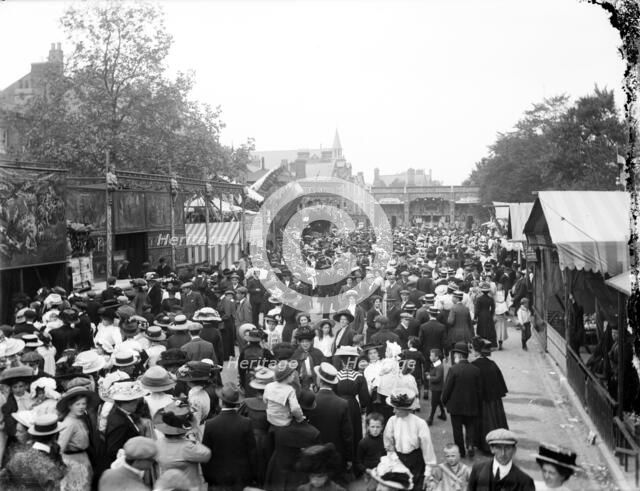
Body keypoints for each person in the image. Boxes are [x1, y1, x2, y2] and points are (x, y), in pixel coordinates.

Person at [201, 382, 256, 490]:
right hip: (241, 476)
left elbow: (206, 453)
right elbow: (252, 452)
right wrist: (253, 476)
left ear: (221, 402)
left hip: (217, 477)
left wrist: (207, 477)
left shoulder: (210, 424)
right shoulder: (246, 423)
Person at [306, 362, 354, 481]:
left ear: (320, 380)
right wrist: (349, 458)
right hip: (336, 454)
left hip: (314, 451)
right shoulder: (342, 403)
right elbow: (347, 435)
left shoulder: (311, 400)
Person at [383, 388, 436, 491]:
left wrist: (428, 472)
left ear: (406, 409)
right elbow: (388, 443)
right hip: (398, 460)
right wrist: (394, 459)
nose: (394, 411)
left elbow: (427, 449)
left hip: (416, 462)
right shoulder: (392, 421)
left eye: (397, 408)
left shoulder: (420, 424)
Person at [0, 413, 68, 490]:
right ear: (55, 436)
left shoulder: (18, 456)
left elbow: (3, 480)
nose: (16, 434)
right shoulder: (49, 466)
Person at [153, 400, 211, 489]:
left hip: (167, 486)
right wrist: (193, 439)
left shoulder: (157, 444)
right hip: (188, 487)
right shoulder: (187, 447)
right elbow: (206, 454)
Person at [441, 342, 482, 458]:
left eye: (455, 355)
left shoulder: (453, 370)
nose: (454, 357)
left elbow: (447, 388)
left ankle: (461, 451)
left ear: (458, 355)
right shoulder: (476, 370)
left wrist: (444, 401)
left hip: (456, 406)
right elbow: (479, 390)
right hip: (471, 405)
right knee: (470, 427)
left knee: (457, 430)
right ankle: (470, 444)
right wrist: (478, 405)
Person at [57, 384, 99, 491]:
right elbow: (60, 447)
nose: (81, 407)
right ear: (70, 406)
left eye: (83, 404)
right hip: (73, 462)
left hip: (82, 458)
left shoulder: (79, 419)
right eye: (77, 404)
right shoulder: (69, 423)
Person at [471, 338, 509, 454]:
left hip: (482, 401)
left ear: (477, 351)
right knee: (496, 420)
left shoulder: (474, 366)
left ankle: (486, 445)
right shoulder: (492, 364)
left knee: (485, 422)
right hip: (494, 400)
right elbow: (500, 383)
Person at [333, 346, 370, 461]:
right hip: (353, 406)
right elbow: (364, 399)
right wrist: (363, 407)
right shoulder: (359, 376)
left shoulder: (336, 375)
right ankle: (355, 461)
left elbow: (333, 392)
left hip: (338, 405)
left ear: (341, 360)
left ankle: (342, 460)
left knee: (341, 432)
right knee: (354, 432)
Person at [467, 428, 535, 491]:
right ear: (492, 449)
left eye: (507, 448)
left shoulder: (525, 481)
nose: (503, 453)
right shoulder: (478, 470)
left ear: (514, 450)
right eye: (499, 448)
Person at [263, 361, 305, 427]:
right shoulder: (290, 390)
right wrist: (300, 418)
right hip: (284, 421)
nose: (294, 376)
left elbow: (265, 401)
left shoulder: (268, 386)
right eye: (292, 374)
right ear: (286, 377)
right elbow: (295, 409)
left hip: (270, 419)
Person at [356, 412, 386, 479]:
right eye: (372, 427)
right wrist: (366, 470)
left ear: (382, 427)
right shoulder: (363, 443)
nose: (375, 430)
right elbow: (358, 462)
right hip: (369, 472)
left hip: (382, 470)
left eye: (378, 427)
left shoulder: (385, 439)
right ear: (368, 427)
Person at [426, 348, 446, 426]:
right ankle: (443, 414)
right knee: (438, 401)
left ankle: (430, 418)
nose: (430, 357)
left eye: (432, 356)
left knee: (434, 403)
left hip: (437, 388)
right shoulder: (436, 364)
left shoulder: (439, 366)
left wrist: (429, 377)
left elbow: (438, 378)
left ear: (437, 357)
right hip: (436, 387)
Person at [475, 283, 497, 348]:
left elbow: (477, 309)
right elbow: (493, 308)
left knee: (481, 328)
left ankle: (482, 343)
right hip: (488, 314)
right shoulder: (490, 299)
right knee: (489, 329)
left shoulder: (479, 299)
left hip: (481, 315)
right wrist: (491, 314)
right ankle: (491, 343)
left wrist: (475, 317)